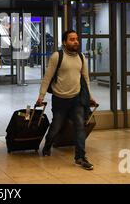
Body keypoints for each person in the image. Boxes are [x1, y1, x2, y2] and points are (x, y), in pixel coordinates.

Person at [36, 30, 96, 170]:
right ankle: (48, 145)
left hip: (76, 99)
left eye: (76, 39)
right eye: (72, 39)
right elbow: (48, 77)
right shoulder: (57, 56)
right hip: (60, 99)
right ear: (64, 42)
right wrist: (41, 96)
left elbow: (85, 79)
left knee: (80, 127)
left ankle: (80, 157)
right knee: (56, 126)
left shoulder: (81, 57)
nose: (75, 41)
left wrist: (90, 96)